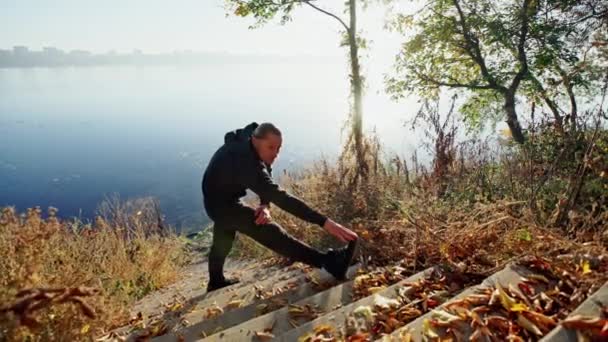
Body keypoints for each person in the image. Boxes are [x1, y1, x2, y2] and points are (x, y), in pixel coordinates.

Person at [202, 122, 359, 292]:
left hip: (221, 196)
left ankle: (215, 282)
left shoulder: (251, 139)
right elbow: (281, 197)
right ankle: (329, 263)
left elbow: (265, 171)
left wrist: (264, 204)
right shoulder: (244, 162)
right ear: (255, 140)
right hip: (220, 205)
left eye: (278, 148)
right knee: (268, 230)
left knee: (223, 240)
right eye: (271, 148)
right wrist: (325, 222)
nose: (275, 154)